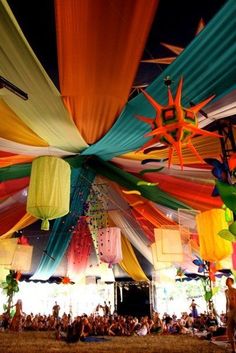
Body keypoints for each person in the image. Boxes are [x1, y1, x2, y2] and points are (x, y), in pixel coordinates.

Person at [225, 277, 236, 353]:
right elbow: (226, 302)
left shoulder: (235, 290)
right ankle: (233, 349)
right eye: (226, 281)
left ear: (232, 282)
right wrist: (226, 312)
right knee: (229, 331)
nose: (227, 282)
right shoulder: (226, 291)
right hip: (230, 312)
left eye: (228, 281)